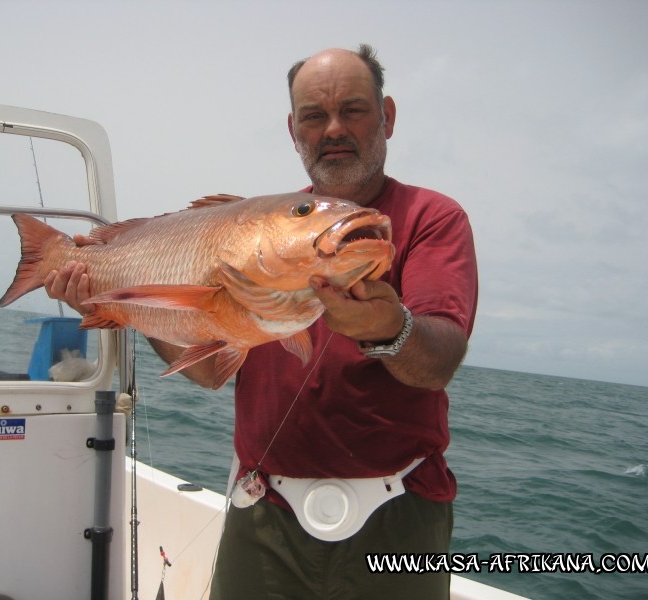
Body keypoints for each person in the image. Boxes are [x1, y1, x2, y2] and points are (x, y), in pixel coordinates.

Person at [46, 44, 477, 599]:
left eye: (354, 109)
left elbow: (438, 362)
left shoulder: (431, 218)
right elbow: (206, 373)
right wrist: (126, 305)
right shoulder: (256, 222)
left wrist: (388, 328)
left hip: (398, 520)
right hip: (264, 512)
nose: (333, 129)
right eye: (314, 116)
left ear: (387, 117)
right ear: (293, 130)